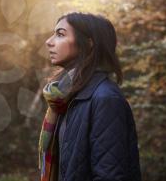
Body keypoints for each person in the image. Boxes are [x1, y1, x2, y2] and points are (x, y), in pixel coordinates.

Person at [38, 12, 142, 181]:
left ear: (88, 43)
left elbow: (110, 175)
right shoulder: (66, 98)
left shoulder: (105, 98)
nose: (49, 41)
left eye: (60, 34)